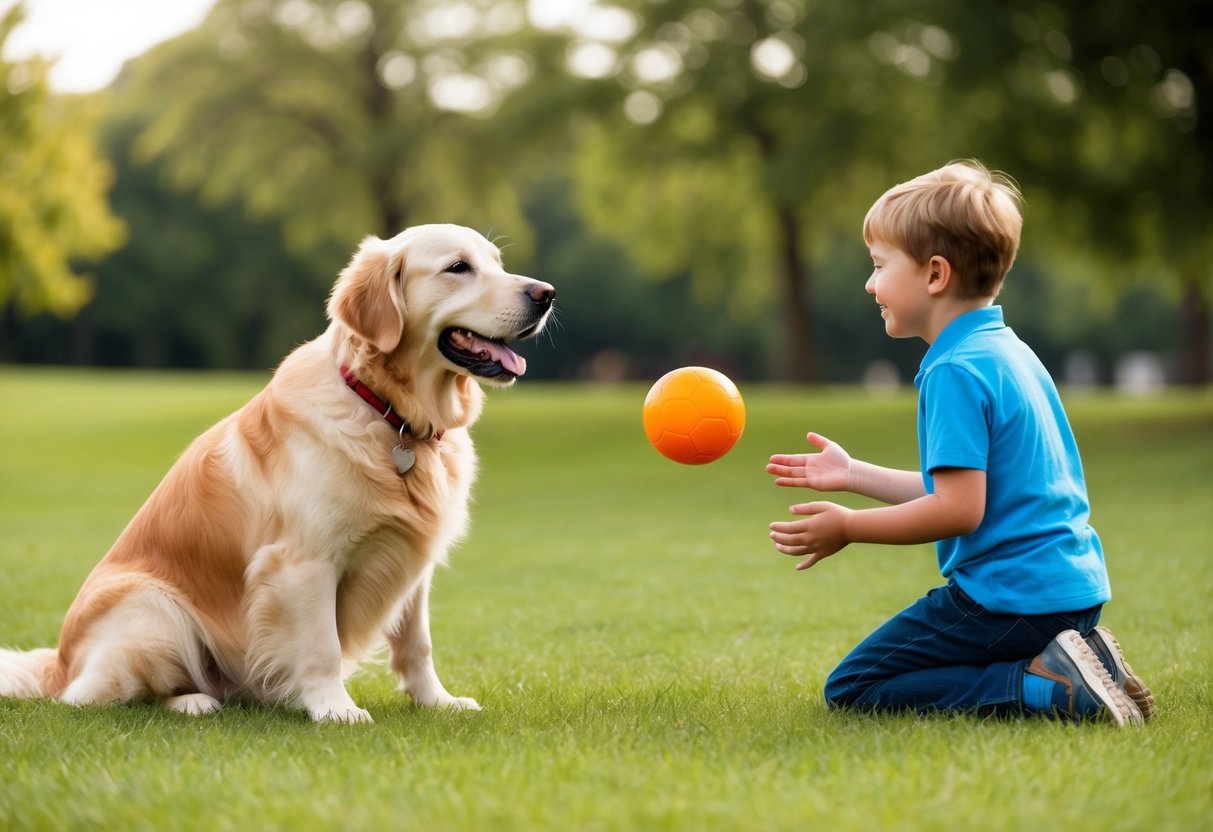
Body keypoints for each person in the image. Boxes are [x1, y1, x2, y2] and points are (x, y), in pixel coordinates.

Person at [766, 160, 1154, 726]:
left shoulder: (952, 369)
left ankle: (1046, 687)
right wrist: (853, 473)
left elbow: (958, 509)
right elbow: (960, 488)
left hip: (1010, 601)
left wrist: (849, 526)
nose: (870, 284)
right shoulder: (1006, 350)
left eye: (878, 266)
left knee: (854, 685)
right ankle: (1084, 660)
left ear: (935, 275)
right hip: (1070, 592)